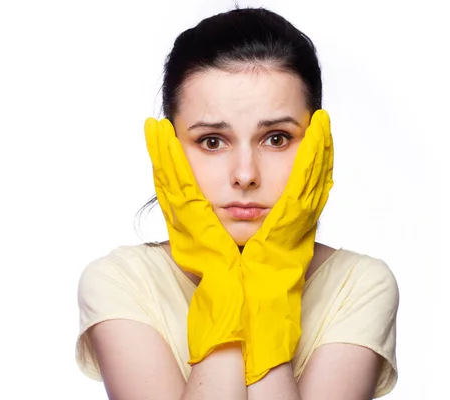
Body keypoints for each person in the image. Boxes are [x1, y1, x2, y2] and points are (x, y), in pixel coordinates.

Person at [75, 6, 399, 400]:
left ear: (318, 147)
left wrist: (268, 281)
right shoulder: (121, 282)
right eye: (212, 141)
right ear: (170, 152)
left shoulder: (358, 285)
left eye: (276, 138)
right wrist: (222, 279)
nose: (245, 174)